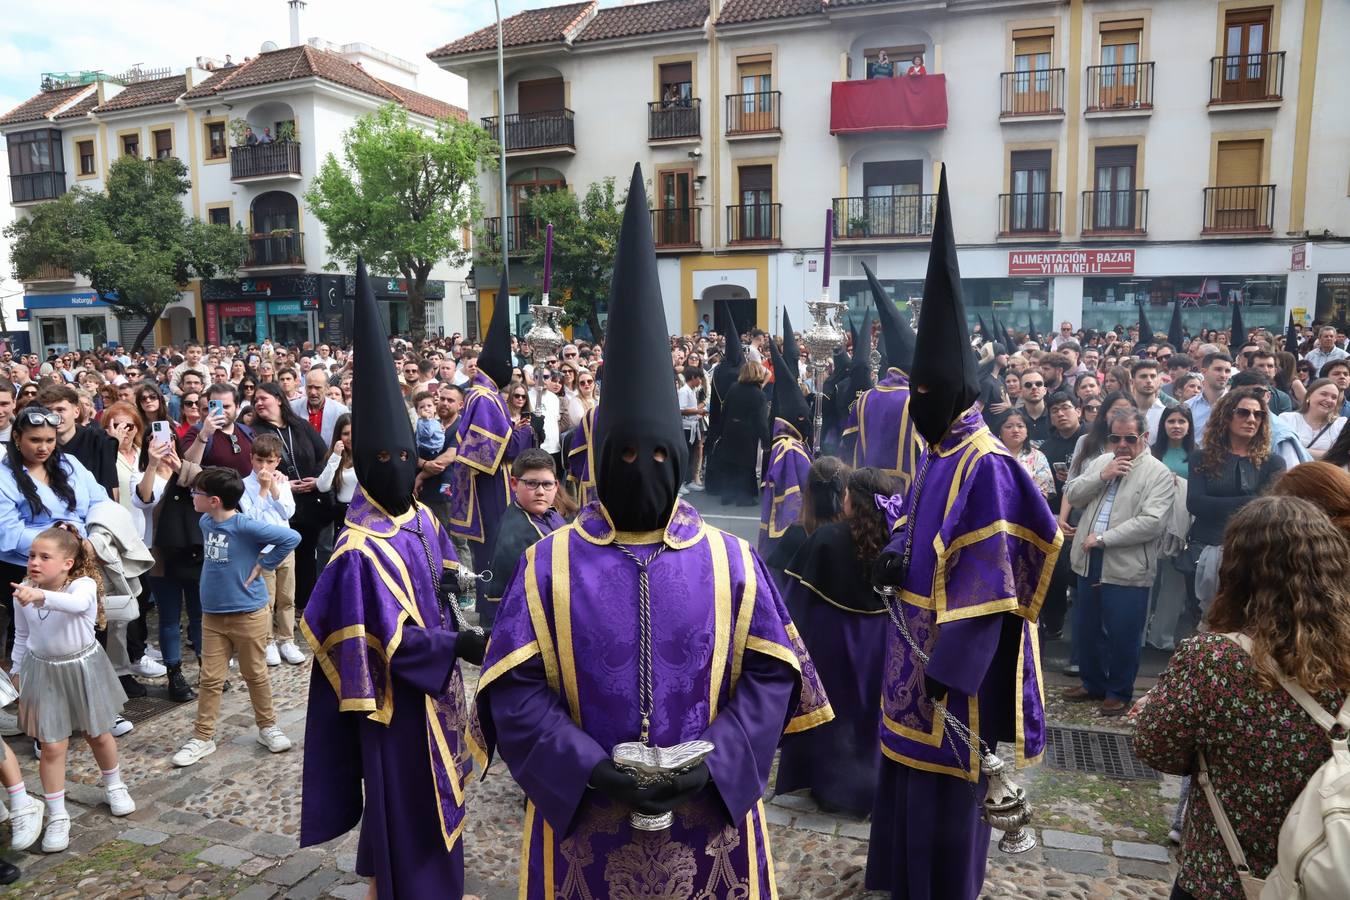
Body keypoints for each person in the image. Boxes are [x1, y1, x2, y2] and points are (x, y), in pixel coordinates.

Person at [475, 167, 830, 898]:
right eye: (627, 457)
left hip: (710, 822)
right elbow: (513, 689)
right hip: (586, 825)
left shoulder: (732, 563)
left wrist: (718, 760)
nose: (644, 471)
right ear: (603, 459)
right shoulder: (548, 565)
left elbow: (774, 674)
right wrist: (587, 767)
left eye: (662, 456)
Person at [868, 168, 1061, 900]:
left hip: (951, 672)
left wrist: (950, 673)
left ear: (955, 390)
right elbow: (915, 525)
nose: (915, 403)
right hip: (909, 647)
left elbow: (992, 587)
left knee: (944, 800)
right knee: (903, 779)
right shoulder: (938, 448)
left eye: (925, 392)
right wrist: (891, 557)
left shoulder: (986, 464)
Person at [300, 258, 486, 900]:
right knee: (409, 809)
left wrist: (468, 590)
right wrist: (459, 645)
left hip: (440, 689)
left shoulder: (421, 517)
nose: (399, 467)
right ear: (361, 460)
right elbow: (385, 645)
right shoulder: (357, 551)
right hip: (398, 704)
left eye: (407, 455)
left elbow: (446, 576)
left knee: (442, 807)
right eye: (384, 458)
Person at [1135, 496, 1350, 900]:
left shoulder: (1214, 659)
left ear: (1236, 569)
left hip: (1224, 876)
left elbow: (1156, 748)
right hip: (1325, 871)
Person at [776, 466, 893, 817]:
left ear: (850, 499)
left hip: (831, 641)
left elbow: (794, 602)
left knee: (833, 714)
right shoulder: (896, 540)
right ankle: (870, 786)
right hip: (880, 642)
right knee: (871, 713)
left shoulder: (825, 539)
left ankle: (831, 788)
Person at [11, 524, 134, 853]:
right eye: (31, 556)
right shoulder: (24, 591)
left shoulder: (83, 585)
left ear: (67, 563)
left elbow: (77, 605)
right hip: (43, 670)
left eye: (44, 557)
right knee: (52, 746)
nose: (34, 562)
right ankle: (57, 814)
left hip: (83, 667)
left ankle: (114, 785)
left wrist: (40, 596)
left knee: (98, 733)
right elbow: (22, 635)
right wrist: (16, 670)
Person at [170, 466, 300, 768]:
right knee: (210, 678)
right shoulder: (206, 521)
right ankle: (203, 737)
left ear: (214, 500)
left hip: (248, 613)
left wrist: (265, 564)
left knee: (255, 673)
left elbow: (291, 537)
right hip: (213, 616)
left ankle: (267, 727)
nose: (192, 496)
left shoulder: (245, 526)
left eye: (197, 493)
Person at [1062, 409, 1176, 715]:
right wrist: (1103, 475)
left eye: (1130, 438)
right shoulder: (1103, 461)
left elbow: (1152, 522)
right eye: (1115, 438)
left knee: (1123, 632)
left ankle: (1119, 690)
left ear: (1145, 437)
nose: (1122, 445)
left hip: (1127, 563)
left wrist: (1104, 538)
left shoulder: (1158, 473)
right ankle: (1093, 683)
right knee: (1087, 627)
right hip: (1089, 558)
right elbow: (1073, 493)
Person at [446, 275, 533, 627]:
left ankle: (491, 610)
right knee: (494, 551)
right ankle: (490, 614)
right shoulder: (484, 397)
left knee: (495, 551)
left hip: (491, 485)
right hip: (488, 489)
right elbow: (491, 452)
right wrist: (524, 432)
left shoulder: (488, 394)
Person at [1187, 387, 1285, 615]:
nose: (1251, 419)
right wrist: (1251, 500)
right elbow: (1196, 503)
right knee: (1204, 618)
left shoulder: (1273, 463)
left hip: (1254, 552)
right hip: (1205, 548)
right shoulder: (1201, 458)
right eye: (1243, 412)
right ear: (1226, 416)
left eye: (1258, 414)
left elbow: (1269, 509)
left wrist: (1220, 503)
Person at [249, 383, 328, 614]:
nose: (258, 403)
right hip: (277, 506)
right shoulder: (254, 431)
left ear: (278, 399)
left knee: (306, 557)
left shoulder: (300, 425)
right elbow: (255, 466)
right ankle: (273, 613)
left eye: (263, 398)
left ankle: (304, 607)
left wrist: (316, 479)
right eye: (255, 400)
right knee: (277, 562)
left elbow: (323, 454)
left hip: (309, 502)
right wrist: (284, 486)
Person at [847, 263, 919, 489]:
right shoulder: (916, 400)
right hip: (905, 492)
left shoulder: (866, 397)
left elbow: (848, 444)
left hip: (867, 488)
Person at [238, 435, 301, 668]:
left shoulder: (282, 483)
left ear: (277, 461)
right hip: (261, 551)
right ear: (251, 458)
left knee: (287, 597)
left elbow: (288, 512)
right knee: (267, 599)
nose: (263, 466)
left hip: (284, 548)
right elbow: (251, 519)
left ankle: (287, 640)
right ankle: (268, 641)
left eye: (269, 461)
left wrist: (274, 487)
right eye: (259, 460)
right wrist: (263, 490)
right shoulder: (244, 485)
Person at [482, 449, 567, 611]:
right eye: (532, 483)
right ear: (514, 484)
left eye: (547, 484)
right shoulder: (518, 535)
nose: (540, 492)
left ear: (556, 486)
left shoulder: (549, 513)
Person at [35, 384, 117, 500]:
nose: (55, 416)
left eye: (60, 410)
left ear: (76, 412)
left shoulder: (98, 440)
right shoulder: (38, 446)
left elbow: (111, 486)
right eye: (48, 411)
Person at [710, 360, 770, 505]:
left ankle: (728, 495)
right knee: (746, 464)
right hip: (748, 433)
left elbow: (724, 411)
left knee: (730, 462)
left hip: (730, 429)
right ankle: (744, 497)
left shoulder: (733, 388)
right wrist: (766, 440)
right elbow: (761, 420)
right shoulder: (759, 394)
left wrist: (721, 431)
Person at [1277, 377, 1344, 460]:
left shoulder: (1341, 424)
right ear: (1309, 395)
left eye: (1334, 397)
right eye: (1323, 394)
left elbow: (1342, 456)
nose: (1329, 400)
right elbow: (1280, 450)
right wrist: (1326, 454)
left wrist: (1296, 450)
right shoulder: (1287, 419)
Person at [999, 410, 1054, 499]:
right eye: (1009, 427)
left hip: (1031, 505)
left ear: (1027, 432)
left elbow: (1044, 491)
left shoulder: (1038, 456)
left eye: (1020, 426)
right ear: (999, 432)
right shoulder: (991, 456)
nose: (1015, 430)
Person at [315, 414, 355, 528]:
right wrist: (336, 456)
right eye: (346, 434)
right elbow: (323, 487)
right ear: (339, 436)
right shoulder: (334, 457)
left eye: (354, 432)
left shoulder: (367, 455)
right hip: (342, 514)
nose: (350, 437)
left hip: (365, 512)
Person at [292, 368, 346, 445]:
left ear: (327, 388)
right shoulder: (292, 408)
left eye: (317, 388)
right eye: (309, 387)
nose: (313, 392)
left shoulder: (340, 411)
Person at [412, 391, 443, 462]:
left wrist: (441, 430)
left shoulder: (434, 421)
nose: (426, 409)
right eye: (421, 407)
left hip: (436, 450)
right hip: (426, 452)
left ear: (435, 408)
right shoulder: (422, 422)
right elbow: (426, 434)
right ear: (417, 411)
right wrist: (425, 419)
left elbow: (436, 430)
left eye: (429, 406)